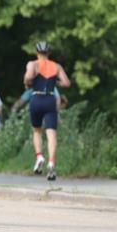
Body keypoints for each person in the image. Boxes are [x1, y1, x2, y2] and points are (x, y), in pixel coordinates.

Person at [24, 41, 72, 181]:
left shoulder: (33, 64)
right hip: (50, 99)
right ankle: (51, 163)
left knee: (37, 130)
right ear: (49, 53)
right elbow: (67, 83)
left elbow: (28, 77)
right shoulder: (56, 66)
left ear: (37, 53)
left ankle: (39, 157)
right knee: (51, 134)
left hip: (36, 99)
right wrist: (55, 82)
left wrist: (28, 82)